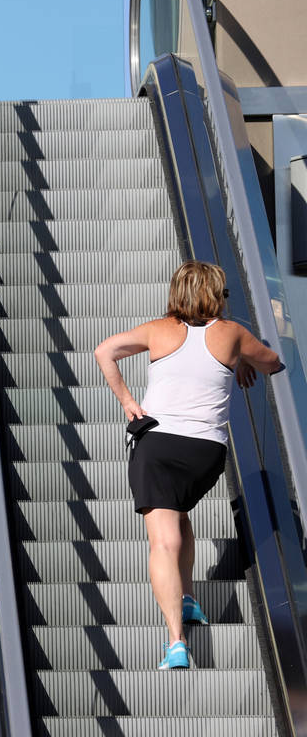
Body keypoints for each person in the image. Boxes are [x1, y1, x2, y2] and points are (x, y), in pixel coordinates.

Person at [93, 260, 282, 670]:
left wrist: (128, 403)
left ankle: (176, 641)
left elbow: (104, 351)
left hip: (157, 445)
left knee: (163, 540)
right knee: (180, 517)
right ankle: (190, 598)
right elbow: (273, 363)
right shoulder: (232, 334)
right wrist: (243, 359)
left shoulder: (158, 330)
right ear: (216, 295)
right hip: (205, 453)